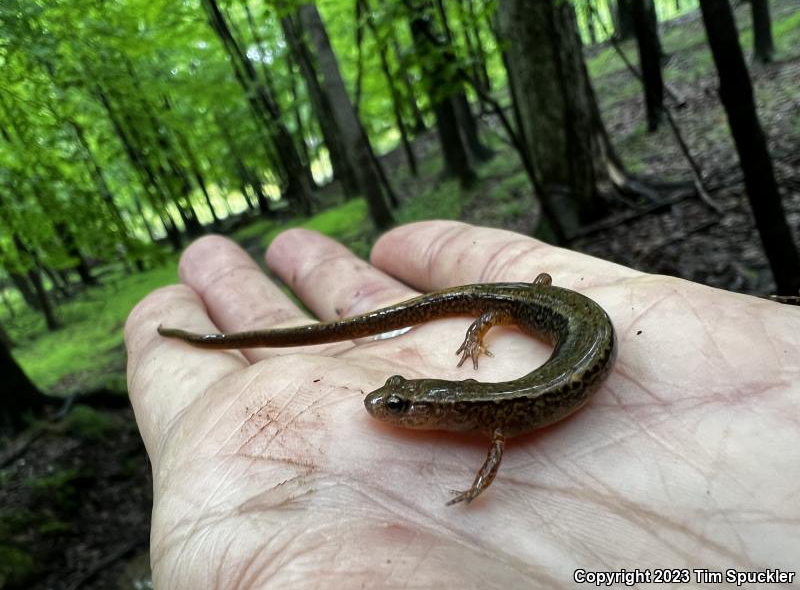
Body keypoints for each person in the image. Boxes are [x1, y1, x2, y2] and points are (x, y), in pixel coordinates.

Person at [125, 220, 799, 588]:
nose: (389, 406)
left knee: (498, 308)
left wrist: (476, 490)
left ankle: (498, 311)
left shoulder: (494, 420)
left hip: (556, 319)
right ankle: (496, 311)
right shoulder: (489, 412)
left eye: (401, 404)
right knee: (492, 308)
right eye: (399, 401)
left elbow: (493, 461)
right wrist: (484, 321)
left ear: (444, 410)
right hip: (546, 312)